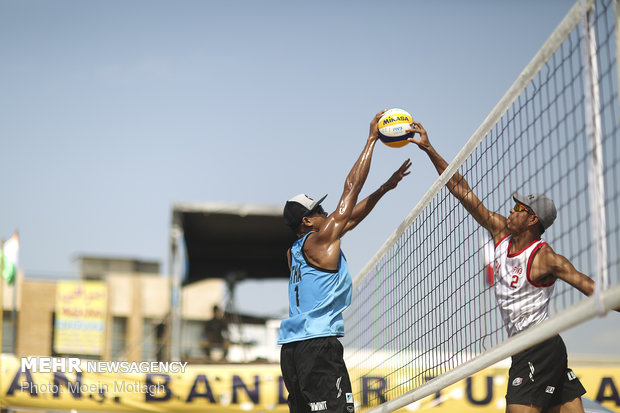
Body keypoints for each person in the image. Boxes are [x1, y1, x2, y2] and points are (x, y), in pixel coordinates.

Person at [406, 121, 597, 413]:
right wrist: (429, 148)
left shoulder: (545, 258)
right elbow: (460, 189)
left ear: (533, 220)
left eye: (518, 208)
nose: (510, 209)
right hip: (533, 346)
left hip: (537, 344)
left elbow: (592, 289)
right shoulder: (499, 233)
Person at [278, 110, 412, 413]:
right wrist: (371, 141)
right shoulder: (320, 240)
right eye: (320, 210)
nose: (327, 213)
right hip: (318, 345)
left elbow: (350, 217)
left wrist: (384, 189)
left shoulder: (296, 251)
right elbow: (350, 191)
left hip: (292, 350)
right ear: (308, 221)